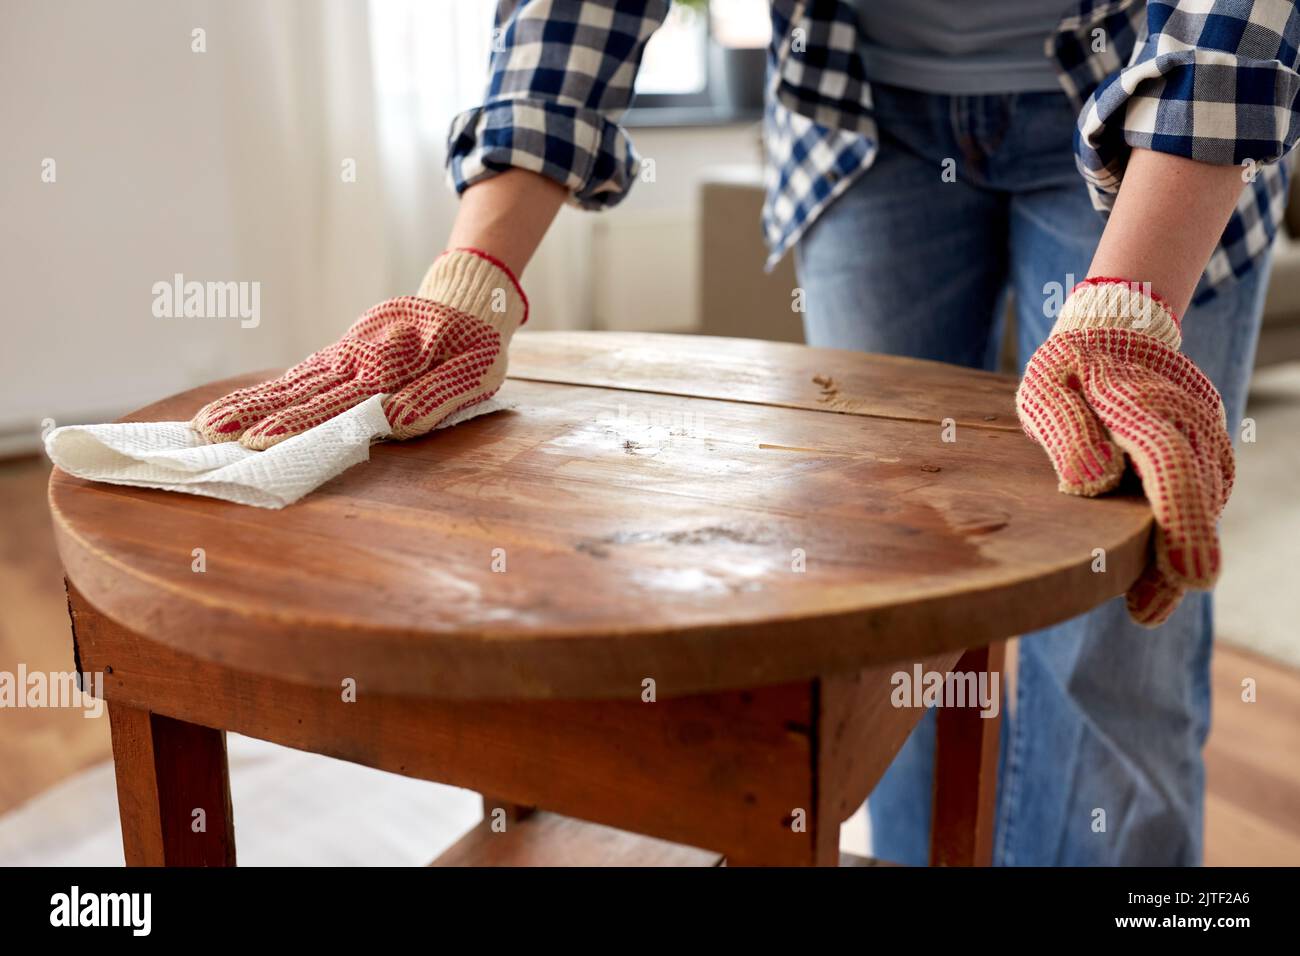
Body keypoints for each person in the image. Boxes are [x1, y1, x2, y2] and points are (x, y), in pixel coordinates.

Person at [191, 1, 1297, 864]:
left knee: (1114, 601)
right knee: (897, 567)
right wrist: (474, 271)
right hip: (860, 109)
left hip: (1158, 99)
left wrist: (1130, 298)